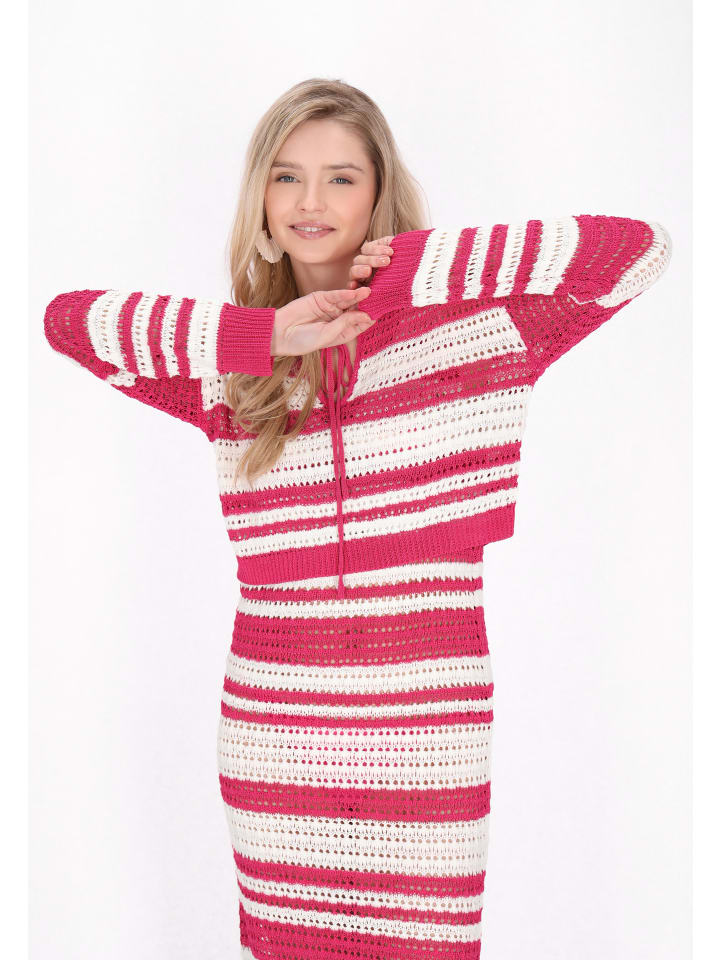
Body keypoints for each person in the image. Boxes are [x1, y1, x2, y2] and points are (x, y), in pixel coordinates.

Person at [43, 77, 672, 959]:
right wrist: (267, 338)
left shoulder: (476, 330)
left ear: (378, 194)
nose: (311, 201)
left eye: (341, 177)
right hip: (277, 738)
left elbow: (638, 252)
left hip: (426, 736)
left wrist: (417, 267)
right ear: (262, 199)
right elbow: (68, 323)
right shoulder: (234, 370)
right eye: (287, 176)